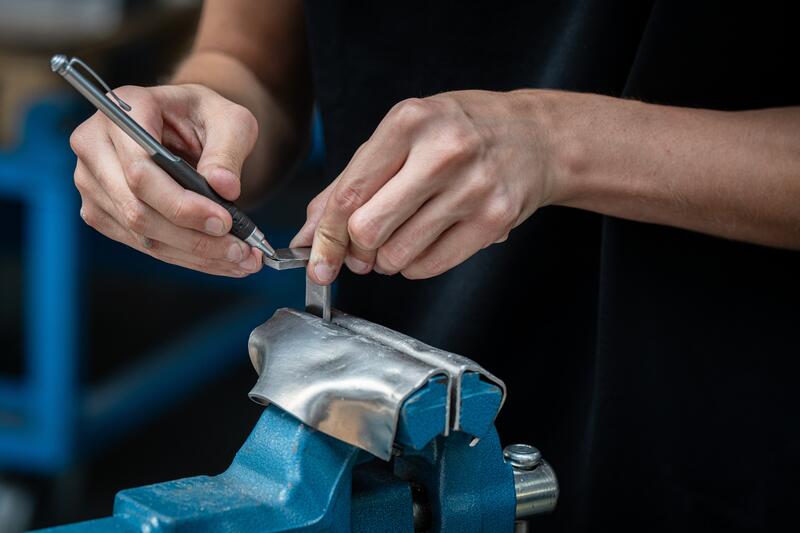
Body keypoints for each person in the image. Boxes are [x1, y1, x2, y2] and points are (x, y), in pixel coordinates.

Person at [68, 1, 800, 531]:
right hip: (405, 406)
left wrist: (554, 142)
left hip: (707, 414)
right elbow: (249, 60)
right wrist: (195, 141)